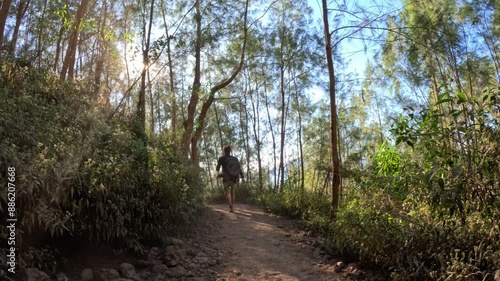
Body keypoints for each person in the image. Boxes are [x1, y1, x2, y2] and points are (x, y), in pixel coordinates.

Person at [216, 145, 244, 212]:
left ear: (224, 151)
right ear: (230, 151)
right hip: (234, 178)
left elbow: (217, 168)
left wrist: (219, 168)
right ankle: (232, 207)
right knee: (232, 192)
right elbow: (239, 169)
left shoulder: (221, 158)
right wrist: (242, 177)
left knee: (227, 192)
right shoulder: (235, 159)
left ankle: (230, 206)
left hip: (225, 178)